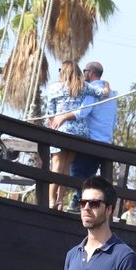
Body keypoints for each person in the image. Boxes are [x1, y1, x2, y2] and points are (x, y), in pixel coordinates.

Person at [43, 60, 91, 208]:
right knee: (66, 167)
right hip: (79, 132)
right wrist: (106, 86)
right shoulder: (83, 87)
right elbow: (101, 93)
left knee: (57, 165)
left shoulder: (55, 88)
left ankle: (51, 200)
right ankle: (60, 200)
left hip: (61, 129)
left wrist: (51, 123)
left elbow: (50, 112)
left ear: (63, 72)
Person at [67, 61, 116, 179]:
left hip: (90, 141)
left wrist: (62, 117)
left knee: (77, 176)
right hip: (104, 142)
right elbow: (114, 120)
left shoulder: (93, 90)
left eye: (84, 71)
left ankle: (79, 198)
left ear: (91, 73)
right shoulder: (113, 94)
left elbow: (82, 112)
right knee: (89, 177)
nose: (83, 74)